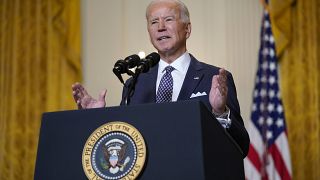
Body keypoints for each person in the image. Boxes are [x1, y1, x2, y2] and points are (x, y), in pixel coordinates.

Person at [72, 0, 249, 157]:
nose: (160, 27)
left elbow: (241, 146)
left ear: (187, 29)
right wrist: (95, 118)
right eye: (153, 22)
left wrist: (220, 112)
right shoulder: (134, 83)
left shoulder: (214, 77)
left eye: (169, 19)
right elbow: (123, 142)